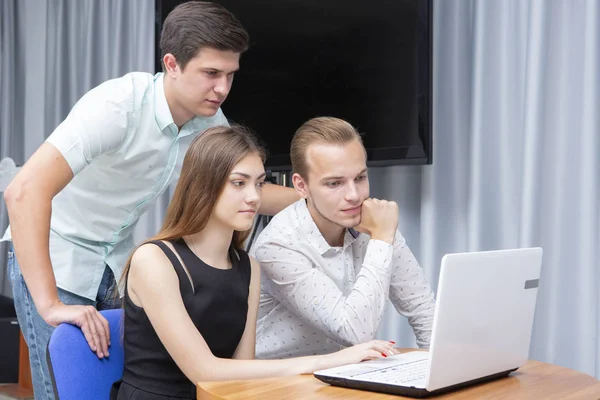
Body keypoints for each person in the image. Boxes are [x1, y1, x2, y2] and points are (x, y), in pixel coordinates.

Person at [2, 2, 296, 399]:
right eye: (211, 73)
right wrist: (50, 304)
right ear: (172, 64)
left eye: (230, 75)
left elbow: (244, 186)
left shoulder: (209, 120)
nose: (223, 88)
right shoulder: (117, 106)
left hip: (115, 259)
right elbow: (23, 191)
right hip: (57, 252)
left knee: (118, 384)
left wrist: (315, 201)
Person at [111, 125, 395, 399]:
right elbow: (203, 370)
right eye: (239, 183)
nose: (254, 196)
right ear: (203, 186)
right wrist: (329, 361)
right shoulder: (154, 260)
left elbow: (242, 374)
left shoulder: (249, 268)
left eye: (259, 183)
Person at [251, 117, 436, 360]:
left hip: (347, 374)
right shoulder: (278, 245)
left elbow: (423, 310)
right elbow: (355, 332)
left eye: (360, 178)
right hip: (281, 383)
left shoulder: (375, 223)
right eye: (334, 183)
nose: (354, 195)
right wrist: (381, 240)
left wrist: (444, 374)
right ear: (301, 186)